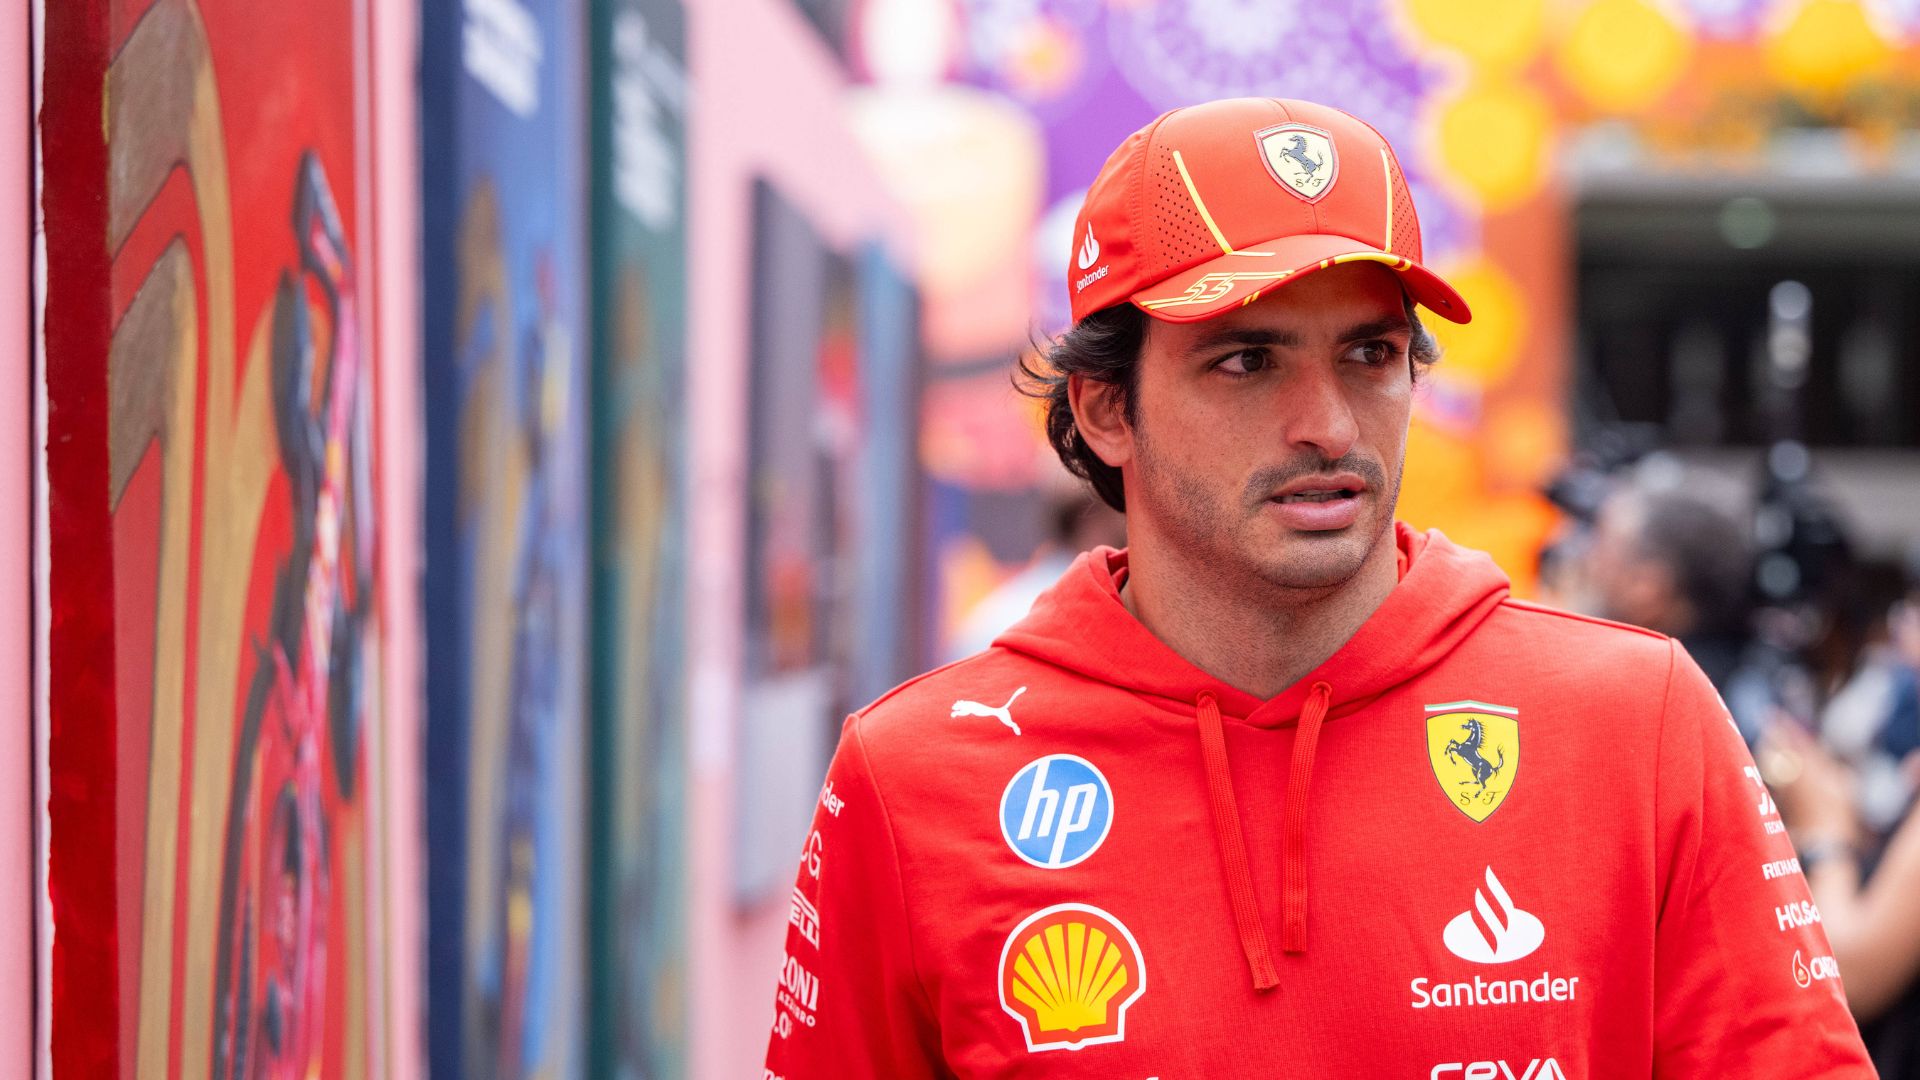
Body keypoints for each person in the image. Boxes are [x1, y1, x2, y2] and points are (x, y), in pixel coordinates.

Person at [762, 98, 1871, 1076]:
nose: (1330, 428)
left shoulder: (1639, 720)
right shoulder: (911, 780)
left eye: (1370, 356)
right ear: (1106, 407)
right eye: (1245, 360)